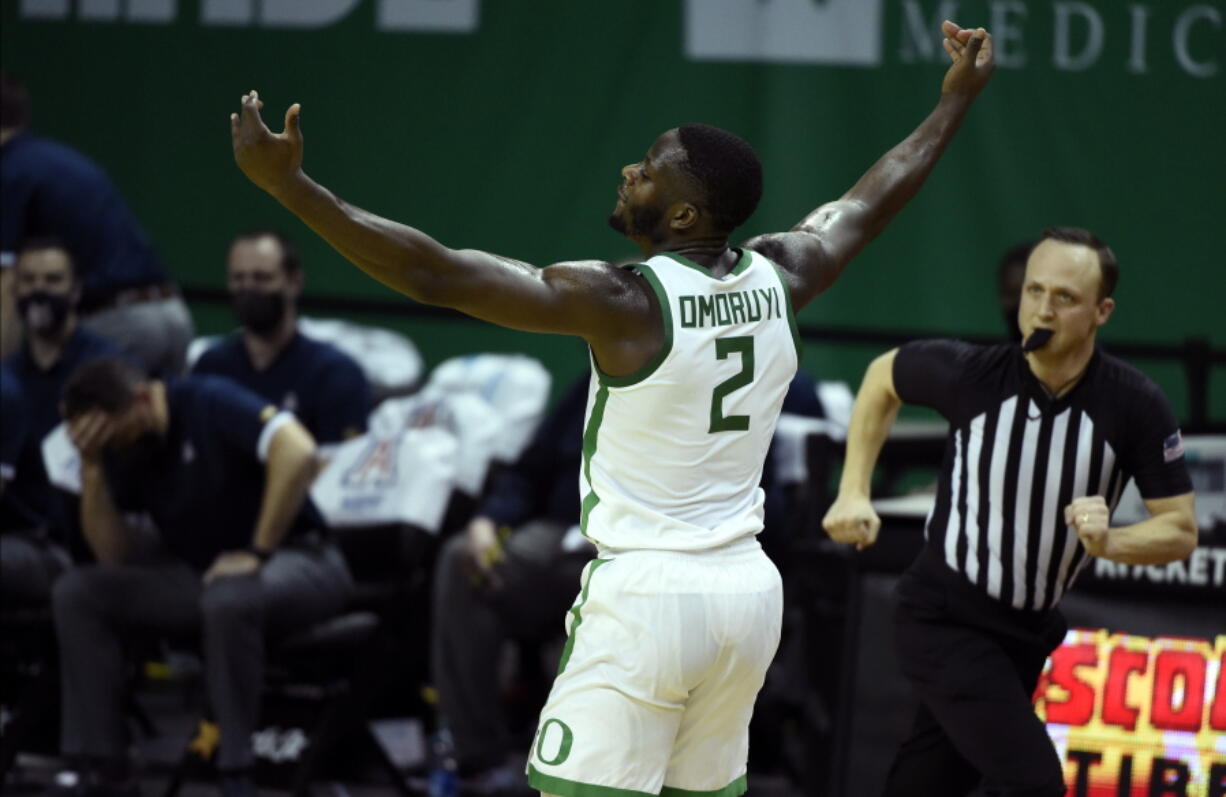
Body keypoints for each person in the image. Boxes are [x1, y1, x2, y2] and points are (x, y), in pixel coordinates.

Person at [229, 19, 997, 797]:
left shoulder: (628, 301)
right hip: (747, 597)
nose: (632, 170)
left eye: (651, 171)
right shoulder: (785, 272)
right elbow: (875, 196)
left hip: (649, 600)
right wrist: (955, 100)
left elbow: (439, 277)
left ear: (688, 217)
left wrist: (293, 190)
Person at [821, 227, 1197, 797]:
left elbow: (1180, 529)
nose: (1042, 310)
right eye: (1033, 291)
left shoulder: (1134, 405)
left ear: (1103, 311)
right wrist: (853, 490)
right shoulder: (972, 375)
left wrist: (1111, 543)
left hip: (1025, 632)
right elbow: (881, 378)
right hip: (944, 613)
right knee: (1033, 782)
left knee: (931, 778)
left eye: (1065, 298)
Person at [52, 357, 353, 797]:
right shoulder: (119, 445)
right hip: (205, 572)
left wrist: (257, 550)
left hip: (300, 559)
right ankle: (102, 768)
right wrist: (93, 468)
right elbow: (113, 555)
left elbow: (298, 450)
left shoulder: (209, 399)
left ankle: (236, 775)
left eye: (115, 435)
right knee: (78, 591)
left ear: (141, 399)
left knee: (227, 598)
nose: (115, 446)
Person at [431, 375, 591, 791]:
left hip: (645, 540)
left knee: (622, 586)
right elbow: (529, 471)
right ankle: (479, 758)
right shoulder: (596, 377)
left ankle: (583, 765)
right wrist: (489, 519)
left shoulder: (705, 379)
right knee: (461, 560)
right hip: (560, 531)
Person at [0, 70, 194, 375]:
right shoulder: (50, 158)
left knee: (69, 417)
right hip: (172, 315)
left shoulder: (10, 170)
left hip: (120, 325)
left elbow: (6, 290)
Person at [1, 237, 123, 597]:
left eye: (53, 280)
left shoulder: (108, 373)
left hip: (71, 545)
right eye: (28, 281)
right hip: (17, 535)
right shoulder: (9, 374)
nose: (39, 291)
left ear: (75, 290)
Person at [192, 229, 372, 443]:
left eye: (262, 278)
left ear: (294, 282)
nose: (248, 288)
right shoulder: (211, 367)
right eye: (238, 278)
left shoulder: (335, 374)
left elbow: (340, 466)